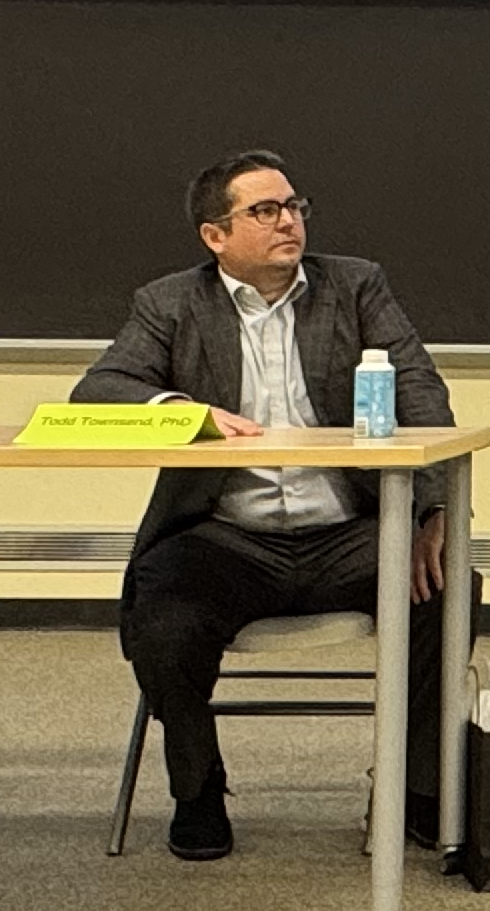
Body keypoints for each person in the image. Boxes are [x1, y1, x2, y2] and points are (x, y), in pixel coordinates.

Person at [76, 151, 453, 862]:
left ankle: (415, 788)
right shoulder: (169, 303)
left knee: (445, 589)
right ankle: (198, 790)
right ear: (215, 236)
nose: (289, 222)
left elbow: (420, 389)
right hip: (227, 539)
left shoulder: (355, 286)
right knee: (162, 612)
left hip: (348, 529)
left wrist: (431, 514)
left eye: (294, 207)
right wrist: (184, 410)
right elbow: (99, 391)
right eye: (266, 211)